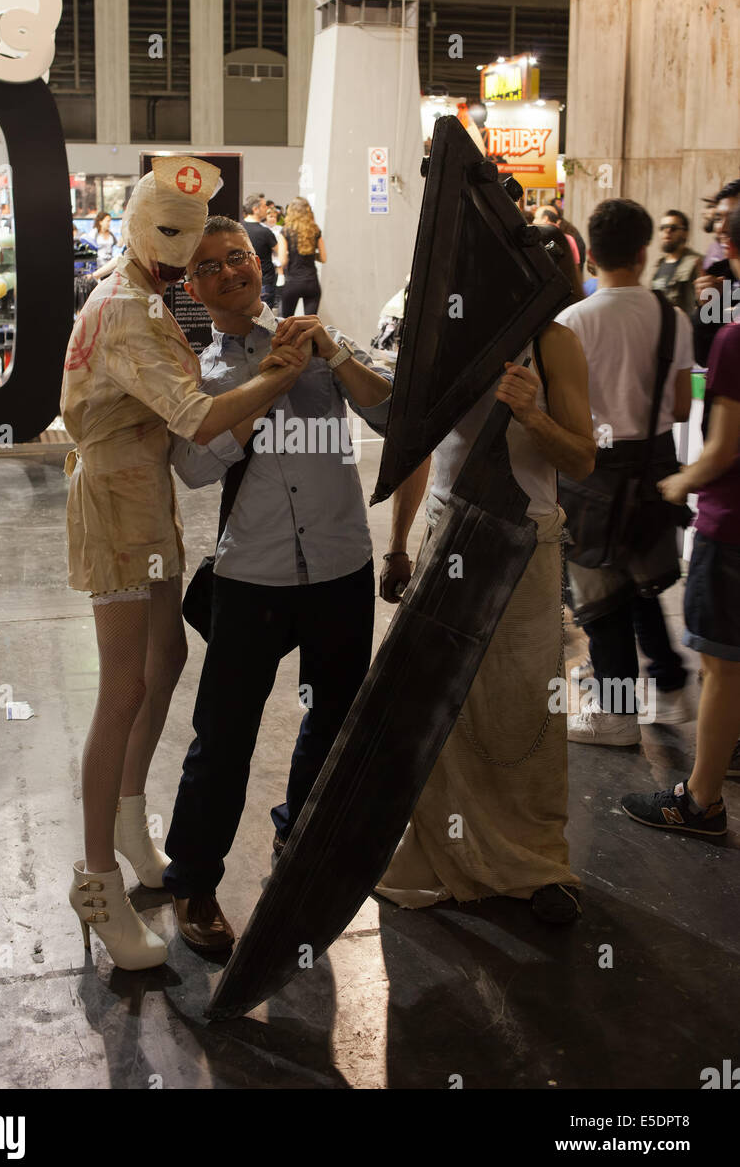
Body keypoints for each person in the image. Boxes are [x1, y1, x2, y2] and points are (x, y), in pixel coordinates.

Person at [60, 159, 310, 972]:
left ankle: (130, 823)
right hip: (117, 502)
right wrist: (278, 374)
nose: (184, 255)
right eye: (171, 236)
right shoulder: (129, 307)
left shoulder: (139, 288)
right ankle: (95, 877)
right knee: (123, 688)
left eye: (194, 239)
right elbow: (198, 419)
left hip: (145, 497)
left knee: (165, 660)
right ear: (137, 221)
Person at [164, 216, 393, 952]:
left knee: (332, 723)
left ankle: (301, 841)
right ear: (194, 288)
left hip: (340, 567)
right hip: (251, 577)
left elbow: (393, 413)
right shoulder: (200, 371)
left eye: (239, 257)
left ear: (260, 265)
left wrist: (328, 355)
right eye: (211, 266)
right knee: (223, 737)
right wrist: (270, 385)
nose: (232, 271)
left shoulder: (318, 340)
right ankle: (194, 883)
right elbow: (195, 468)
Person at [376, 297, 595, 925]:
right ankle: (441, 857)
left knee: (525, 705)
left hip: (525, 540)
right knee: (437, 706)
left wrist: (531, 413)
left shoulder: (553, 341)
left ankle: (532, 862)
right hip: (448, 537)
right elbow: (417, 446)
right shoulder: (437, 333)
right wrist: (397, 547)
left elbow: (581, 456)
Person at [557, 198, 694, 746]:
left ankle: (614, 714)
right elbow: (683, 407)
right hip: (656, 468)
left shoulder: (573, 321)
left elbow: (561, 409)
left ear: (591, 255)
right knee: (642, 582)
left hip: (592, 471)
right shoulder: (672, 316)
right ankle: (670, 687)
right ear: (644, 252)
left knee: (598, 594)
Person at [622, 211, 740, 836]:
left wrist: (681, 481)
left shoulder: (734, 340)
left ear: (727, 246)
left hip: (732, 526)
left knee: (722, 668)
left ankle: (700, 801)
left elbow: (722, 447)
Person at [691, 179, 740, 366]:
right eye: (719, 218)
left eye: (734, 217)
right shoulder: (718, 275)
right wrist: (706, 306)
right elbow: (704, 356)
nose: (723, 227)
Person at [279, 196, 326, 317]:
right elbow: (323, 258)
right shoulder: (315, 230)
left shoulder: (286, 232)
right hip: (312, 282)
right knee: (310, 323)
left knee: (287, 322)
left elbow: (282, 261)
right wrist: (310, 254)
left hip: (292, 282)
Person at [648, 210, 700, 316]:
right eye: (663, 228)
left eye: (673, 228)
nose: (667, 231)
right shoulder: (659, 264)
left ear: (685, 233)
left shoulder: (696, 263)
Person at [241, 192, 278, 307]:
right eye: (264, 206)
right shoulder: (265, 232)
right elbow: (280, 253)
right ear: (255, 209)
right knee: (265, 320)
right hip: (264, 281)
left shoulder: (238, 228)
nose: (266, 209)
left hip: (243, 281)